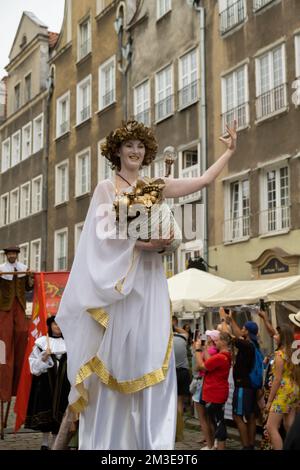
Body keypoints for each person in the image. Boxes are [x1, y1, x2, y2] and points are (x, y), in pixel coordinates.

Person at [55, 119, 237, 450]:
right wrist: (142, 244)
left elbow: (203, 181)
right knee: (116, 358)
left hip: (152, 283)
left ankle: (151, 445)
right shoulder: (107, 189)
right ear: (118, 151)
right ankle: (108, 444)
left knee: (151, 355)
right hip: (122, 284)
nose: (135, 151)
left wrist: (229, 152)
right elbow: (99, 238)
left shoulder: (156, 184)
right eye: (129, 146)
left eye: (140, 146)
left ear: (145, 150)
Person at [25, 316, 70, 450]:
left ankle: (56, 442)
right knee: (45, 410)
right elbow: (33, 366)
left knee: (60, 410)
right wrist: (44, 356)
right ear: (50, 326)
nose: (58, 327)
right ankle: (45, 443)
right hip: (46, 384)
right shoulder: (41, 343)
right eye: (55, 325)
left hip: (63, 384)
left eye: (61, 325)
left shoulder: (70, 343)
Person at [220, 310, 262, 450]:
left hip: (242, 385)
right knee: (250, 416)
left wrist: (224, 320)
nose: (241, 330)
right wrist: (232, 321)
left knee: (237, 416)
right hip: (251, 385)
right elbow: (238, 334)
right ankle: (250, 445)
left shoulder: (246, 345)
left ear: (248, 332)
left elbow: (228, 336)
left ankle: (246, 446)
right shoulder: (253, 344)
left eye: (244, 328)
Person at [0, 246, 33, 402]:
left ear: (17, 255)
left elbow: (29, 287)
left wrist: (30, 277)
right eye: (10, 253)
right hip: (4, 308)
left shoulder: (22, 269)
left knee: (22, 334)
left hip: (19, 306)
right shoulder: (1, 270)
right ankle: (4, 387)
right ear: (6, 255)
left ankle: (18, 384)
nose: (12, 255)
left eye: (14, 253)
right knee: (4, 341)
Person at [194, 332, 232, 450]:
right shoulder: (224, 355)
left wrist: (197, 350)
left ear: (224, 342)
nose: (216, 342)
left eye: (218, 340)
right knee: (216, 421)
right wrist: (205, 349)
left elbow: (202, 366)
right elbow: (211, 361)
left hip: (215, 393)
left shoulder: (221, 357)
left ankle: (220, 447)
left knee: (218, 423)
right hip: (217, 392)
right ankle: (217, 446)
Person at [265, 324, 300, 450]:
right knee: (289, 425)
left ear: (283, 337)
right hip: (294, 390)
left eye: (277, 334)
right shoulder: (294, 352)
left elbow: (277, 379)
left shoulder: (280, 355)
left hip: (283, 391)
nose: (275, 336)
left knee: (271, 426)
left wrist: (269, 401)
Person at [172, 316, 190, 441]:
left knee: (171, 401)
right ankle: (179, 427)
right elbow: (185, 332)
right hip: (183, 372)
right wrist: (174, 326)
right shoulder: (183, 337)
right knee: (179, 402)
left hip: (172, 373)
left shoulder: (165, 339)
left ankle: (172, 426)